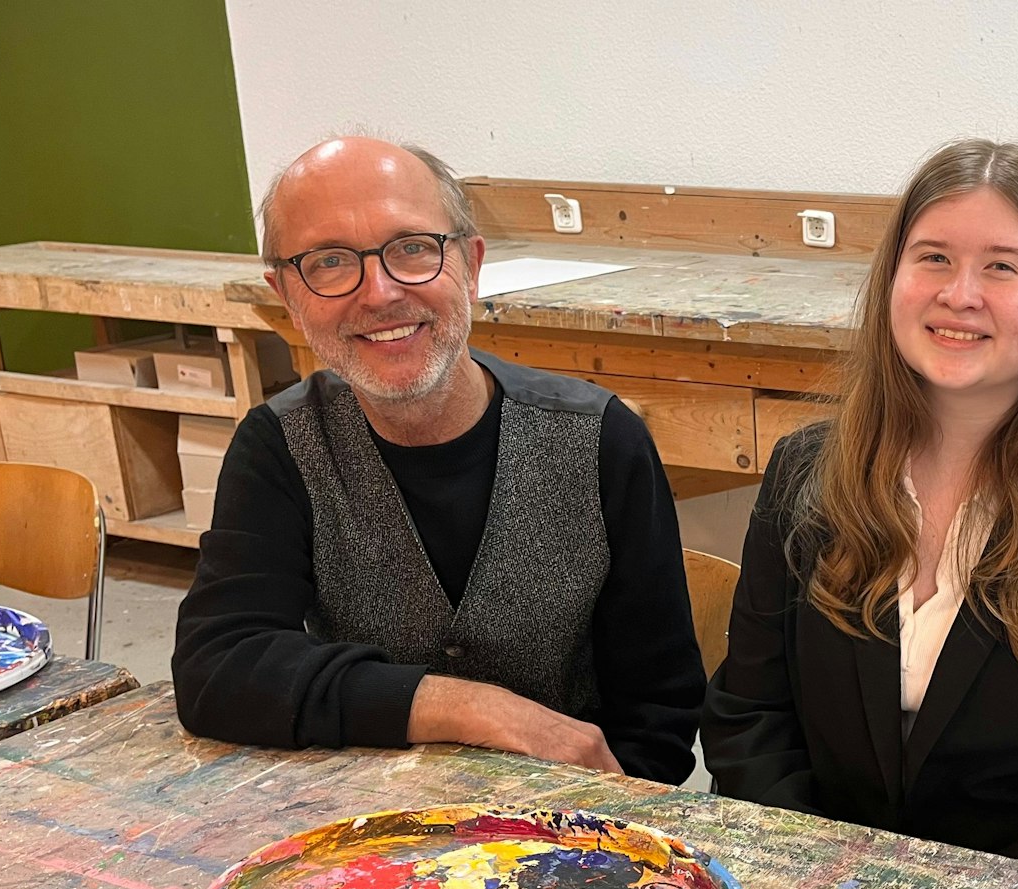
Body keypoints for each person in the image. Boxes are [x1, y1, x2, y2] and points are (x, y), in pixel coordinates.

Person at [702, 139, 1018, 882]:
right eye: (933, 257)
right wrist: (827, 881)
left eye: (1002, 265)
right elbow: (750, 721)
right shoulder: (806, 476)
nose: (960, 292)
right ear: (891, 285)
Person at [173, 137, 702, 782]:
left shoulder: (600, 443)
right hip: (376, 822)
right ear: (286, 294)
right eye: (330, 261)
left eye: (413, 248)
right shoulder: (279, 447)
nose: (380, 292)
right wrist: (467, 707)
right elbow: (219, 667)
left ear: (471, 265)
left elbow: (658, 721)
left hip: (575, 834)